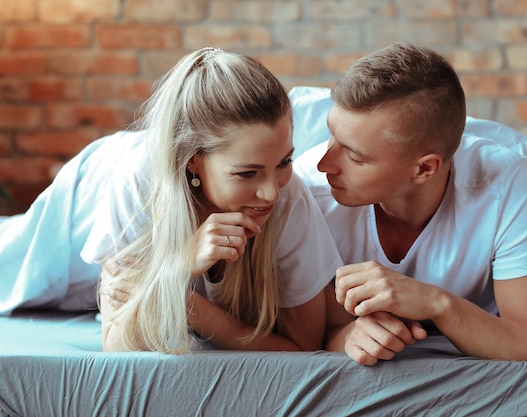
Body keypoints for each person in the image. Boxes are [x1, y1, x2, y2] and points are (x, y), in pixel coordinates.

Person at [294, 42, 527, 365]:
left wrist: (437, 303)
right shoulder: (306, 191)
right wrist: (347, 336)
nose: (324, 163)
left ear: (424, 168)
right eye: (331, 135)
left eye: (355, 156)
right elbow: (308, 335)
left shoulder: (505, 183)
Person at [79, 47, 343, 354]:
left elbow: (303, 349)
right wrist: (179, 265)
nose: (272, 193)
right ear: (193, 160)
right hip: (89, 185)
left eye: (284, 162)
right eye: (247, 173)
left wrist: (184, 298)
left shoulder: (290, 196)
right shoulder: (137, 184)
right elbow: (116, 345)